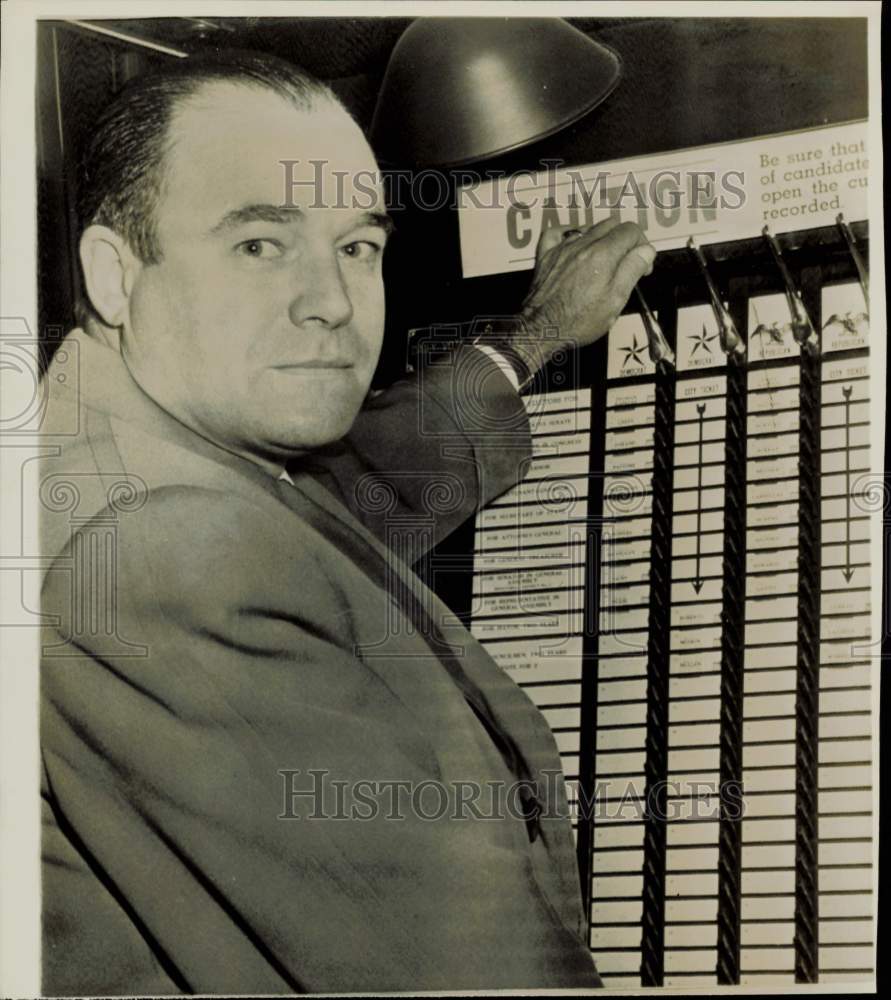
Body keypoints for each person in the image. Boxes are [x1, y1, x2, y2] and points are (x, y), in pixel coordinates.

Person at [38, 51, 655, 994]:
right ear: (115, 275)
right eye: (259, 244)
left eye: (357, 247)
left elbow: (345, 499)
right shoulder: (161, 554)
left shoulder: (139, 441)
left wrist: (530, 340)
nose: (331, 302)